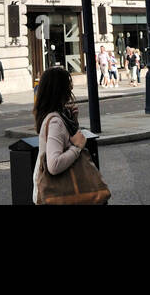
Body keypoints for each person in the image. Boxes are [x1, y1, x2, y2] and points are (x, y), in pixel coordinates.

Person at [32, 66, 94, 204]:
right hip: (58, 195)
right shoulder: (55, 122)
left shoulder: (55, 116)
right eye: (68, 84)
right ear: (60, 90)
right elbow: (54, 165)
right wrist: (77, 148)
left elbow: (64, 141)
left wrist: (73, 122)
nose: (71, 88)